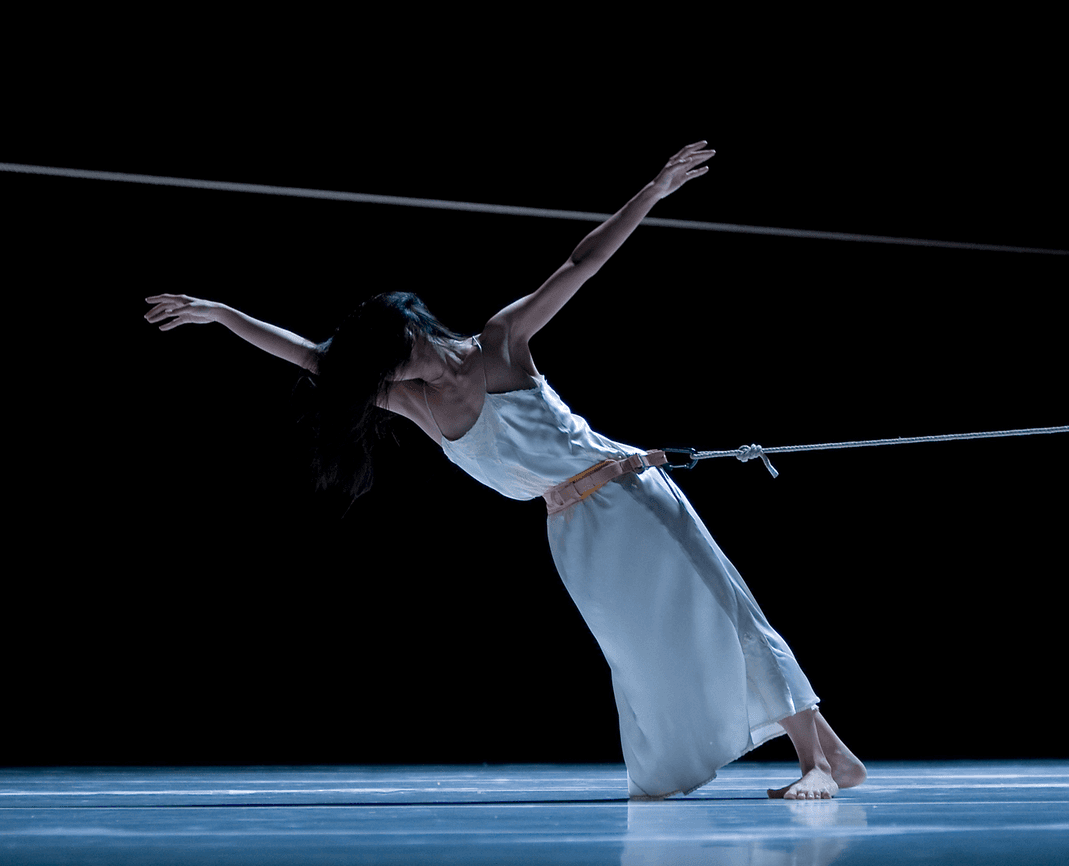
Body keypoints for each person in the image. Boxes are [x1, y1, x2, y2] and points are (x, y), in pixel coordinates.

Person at [144, 142, 866, 799]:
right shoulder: (411, 402)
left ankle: (815, 763)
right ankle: (834, 757)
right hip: (572, 527)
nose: (395, 377)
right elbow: (313, 357)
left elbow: (579, 263)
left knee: (725, 611)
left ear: (418, 331)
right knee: (645, 655)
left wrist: (652, 189)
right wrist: (221, 315)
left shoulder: (501, 343)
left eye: (399, 359)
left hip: (629, 493)